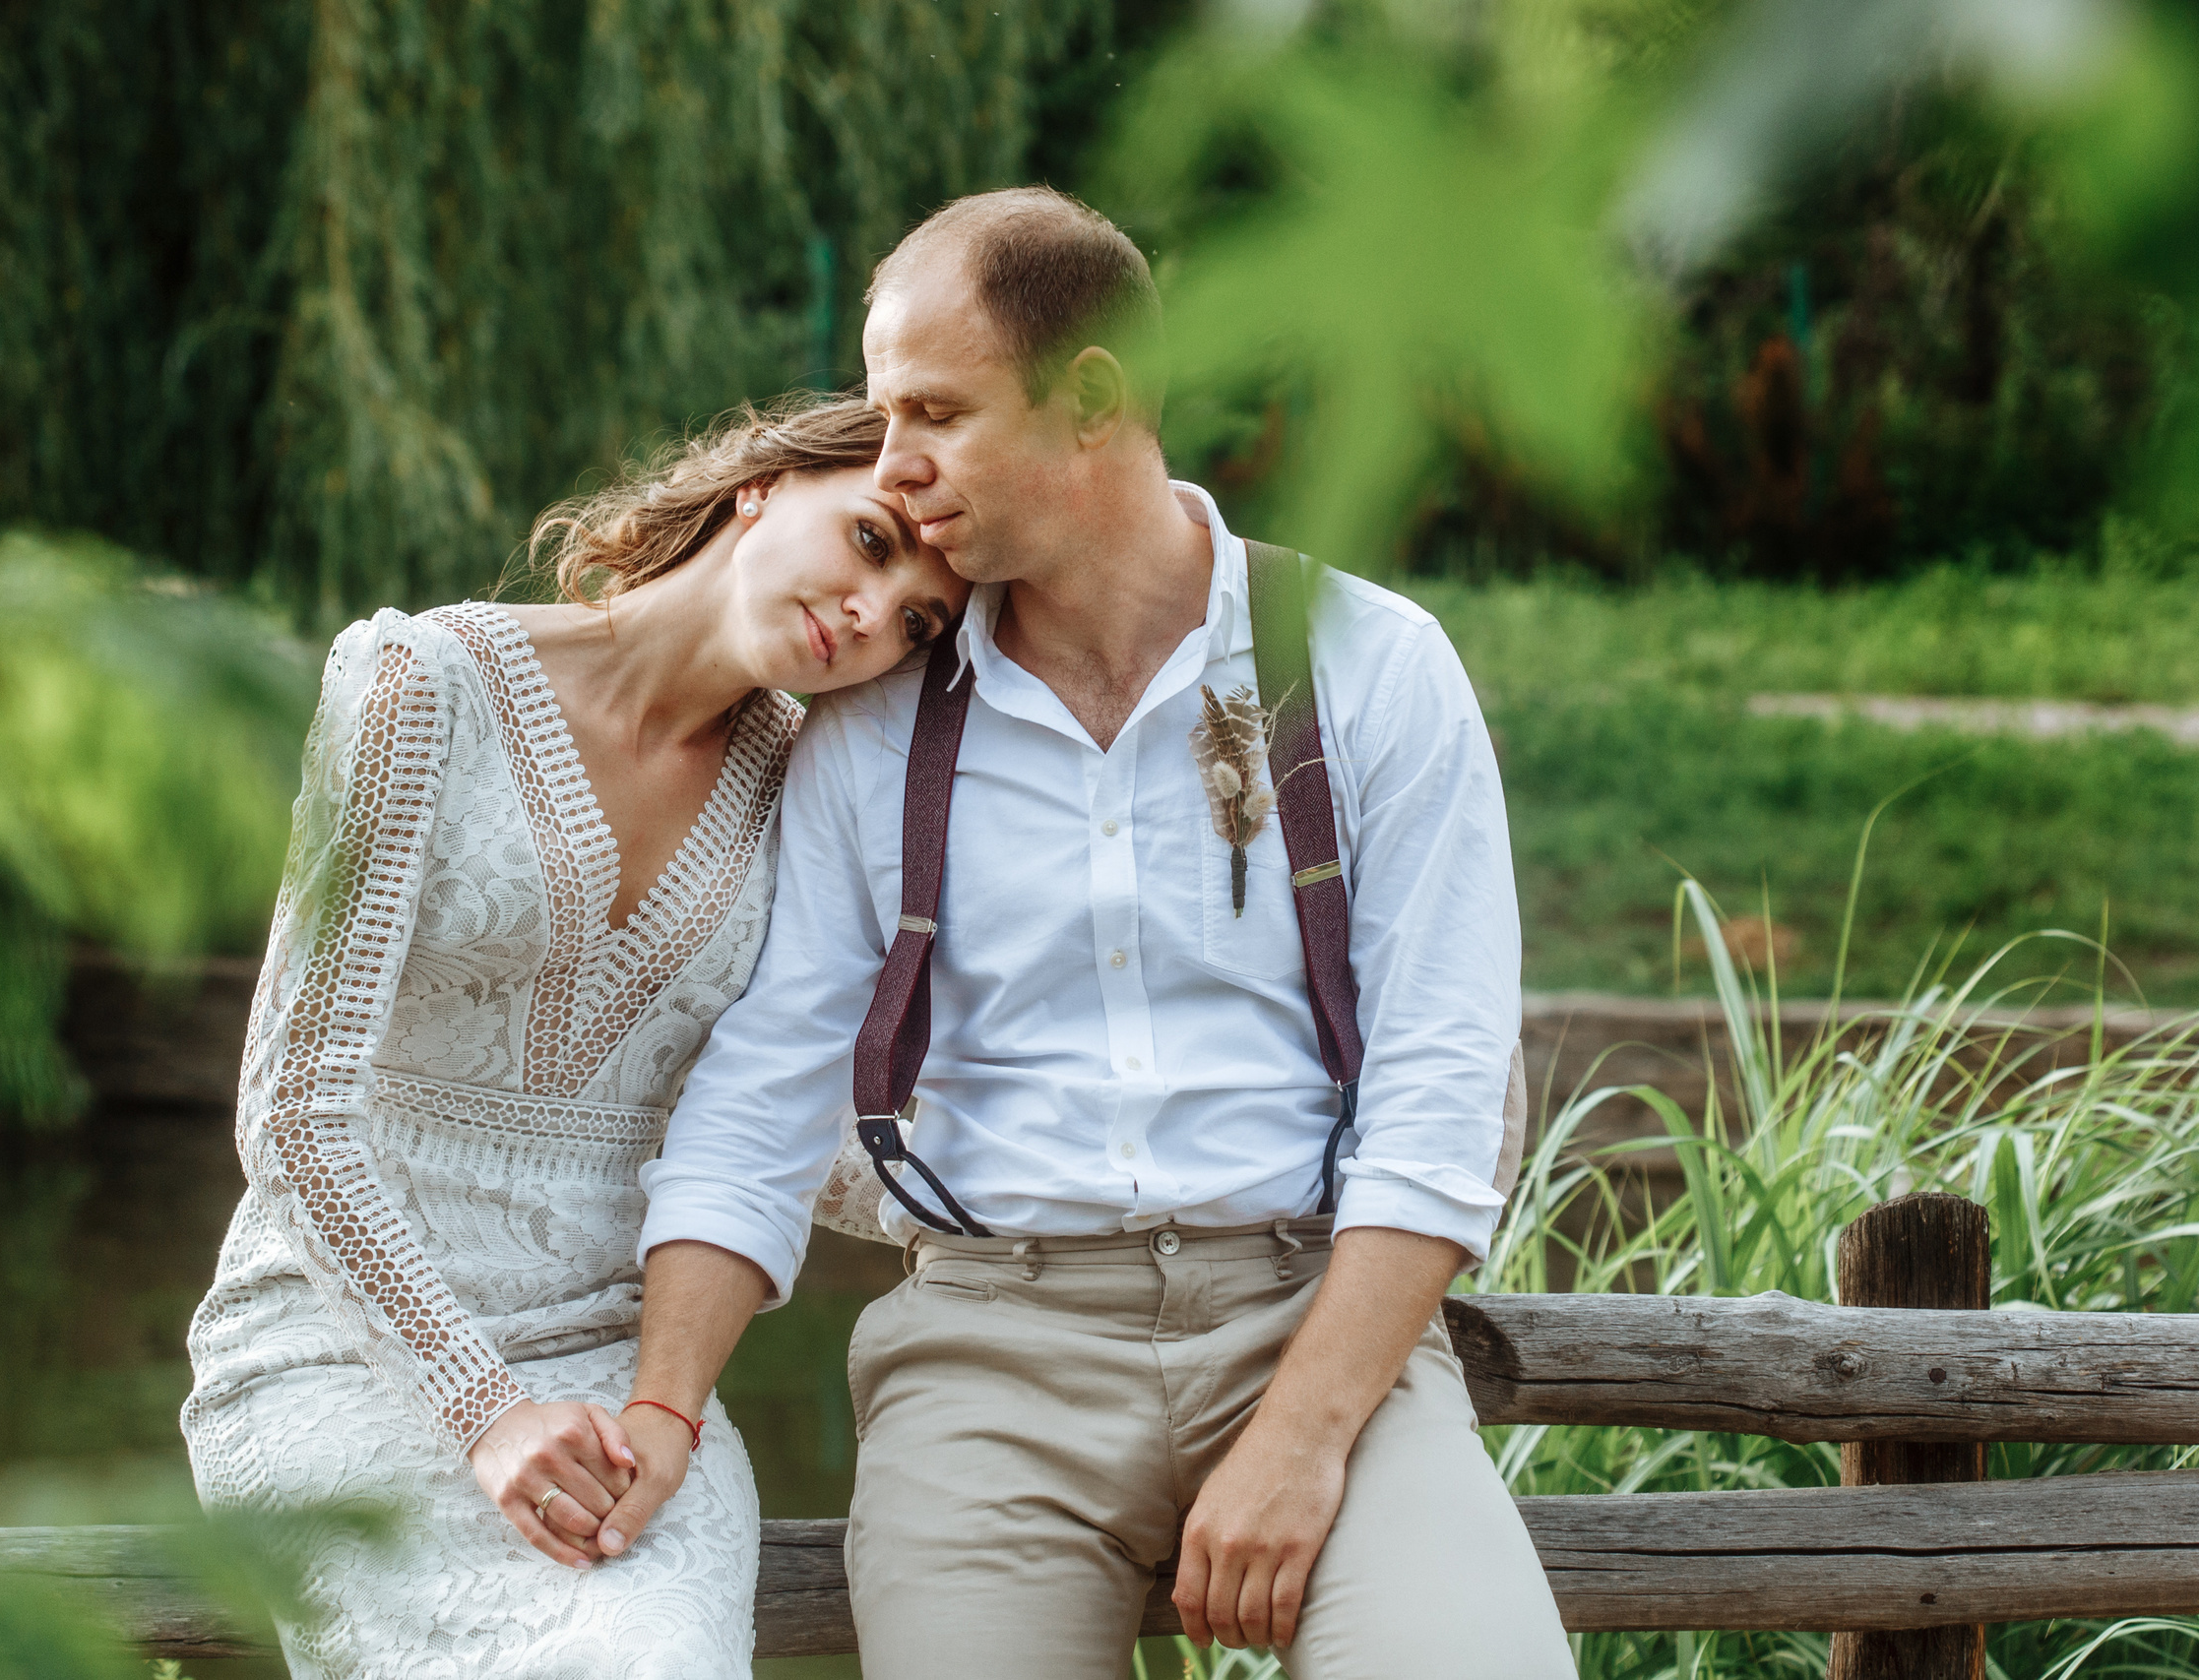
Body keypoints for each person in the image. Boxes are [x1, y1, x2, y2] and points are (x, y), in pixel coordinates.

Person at [596, 189, 1576, 1678]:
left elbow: (1440, 1099)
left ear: (1093, 399)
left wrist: (1303, 1442)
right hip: (991, 1359)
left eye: (934, 409)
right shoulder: (873, 731)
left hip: (1313, 1331)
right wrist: (664, 1404)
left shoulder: (1370, 669)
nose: (892, 464)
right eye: (880, 415)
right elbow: (765, 1088)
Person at [179, 394, 969, 1680]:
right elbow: (290, 1115)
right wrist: (480, 1409)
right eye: (874, 542)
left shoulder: (804, 784)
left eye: (920, 622)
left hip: (623, 1374)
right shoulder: (421, 684)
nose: (876, 614)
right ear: (765, 483)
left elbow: (784, 1137)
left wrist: (1048, 1203)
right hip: (342, 1348)